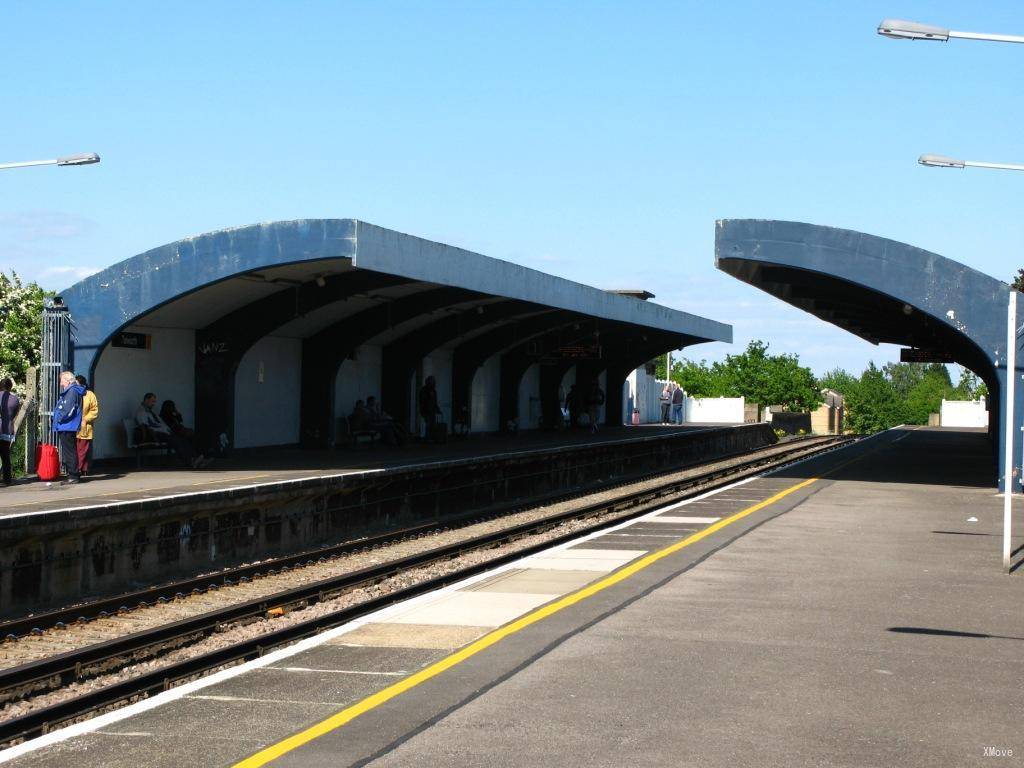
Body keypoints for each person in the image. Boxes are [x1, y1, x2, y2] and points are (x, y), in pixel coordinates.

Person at [135, 393, 208, 468]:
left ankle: (195, 458)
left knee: (182, 439)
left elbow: (161, 423)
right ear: (146, 400)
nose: (153, 404)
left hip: (164, 432)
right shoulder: (141, 412)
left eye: (154, 402)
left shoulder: (151, 412)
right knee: (176, 440)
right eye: (152, 401)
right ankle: (189, 461)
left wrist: (168, 430)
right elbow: (145, 426)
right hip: (156, 434)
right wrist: (148, 438)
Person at [53, 371, 85, 483]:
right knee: (70, 450)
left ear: (68, 380)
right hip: (67, 425)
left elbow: (68, 409)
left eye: (62, 381)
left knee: (70, 451)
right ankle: (73, 474)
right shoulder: (72, 390)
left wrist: (59, 418)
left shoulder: (71, 391)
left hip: (67, 425)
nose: (61, 384)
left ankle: (73, 475)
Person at [75, 375, 100, 476]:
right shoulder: (74, 394)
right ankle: (83, 468)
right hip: (74, 426)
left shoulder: (90, 395)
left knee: (82, 450)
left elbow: (94, 410)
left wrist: (85, 419)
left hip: (85, 427)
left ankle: (76, 470)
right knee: (78, 450)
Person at [0, 378, 21, 487]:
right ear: (10, 387)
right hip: (7, 430)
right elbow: (15, 413)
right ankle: (7, 479)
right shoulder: (15, 399)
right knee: (5, 456)